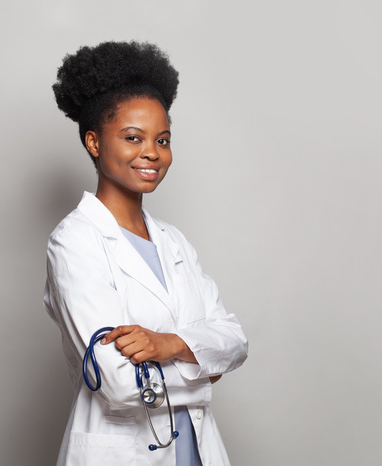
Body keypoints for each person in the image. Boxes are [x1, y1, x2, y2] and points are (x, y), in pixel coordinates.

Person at [43, 41, 248, 466]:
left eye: (163, 139)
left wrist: (169, 344)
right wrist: (202, 367)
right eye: (133, 138)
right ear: (95, 142)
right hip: (123, 454)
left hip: (195, 451)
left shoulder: (173, 241)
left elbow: (234, 340)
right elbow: (118, 383)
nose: (152, 152)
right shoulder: (75, 242)